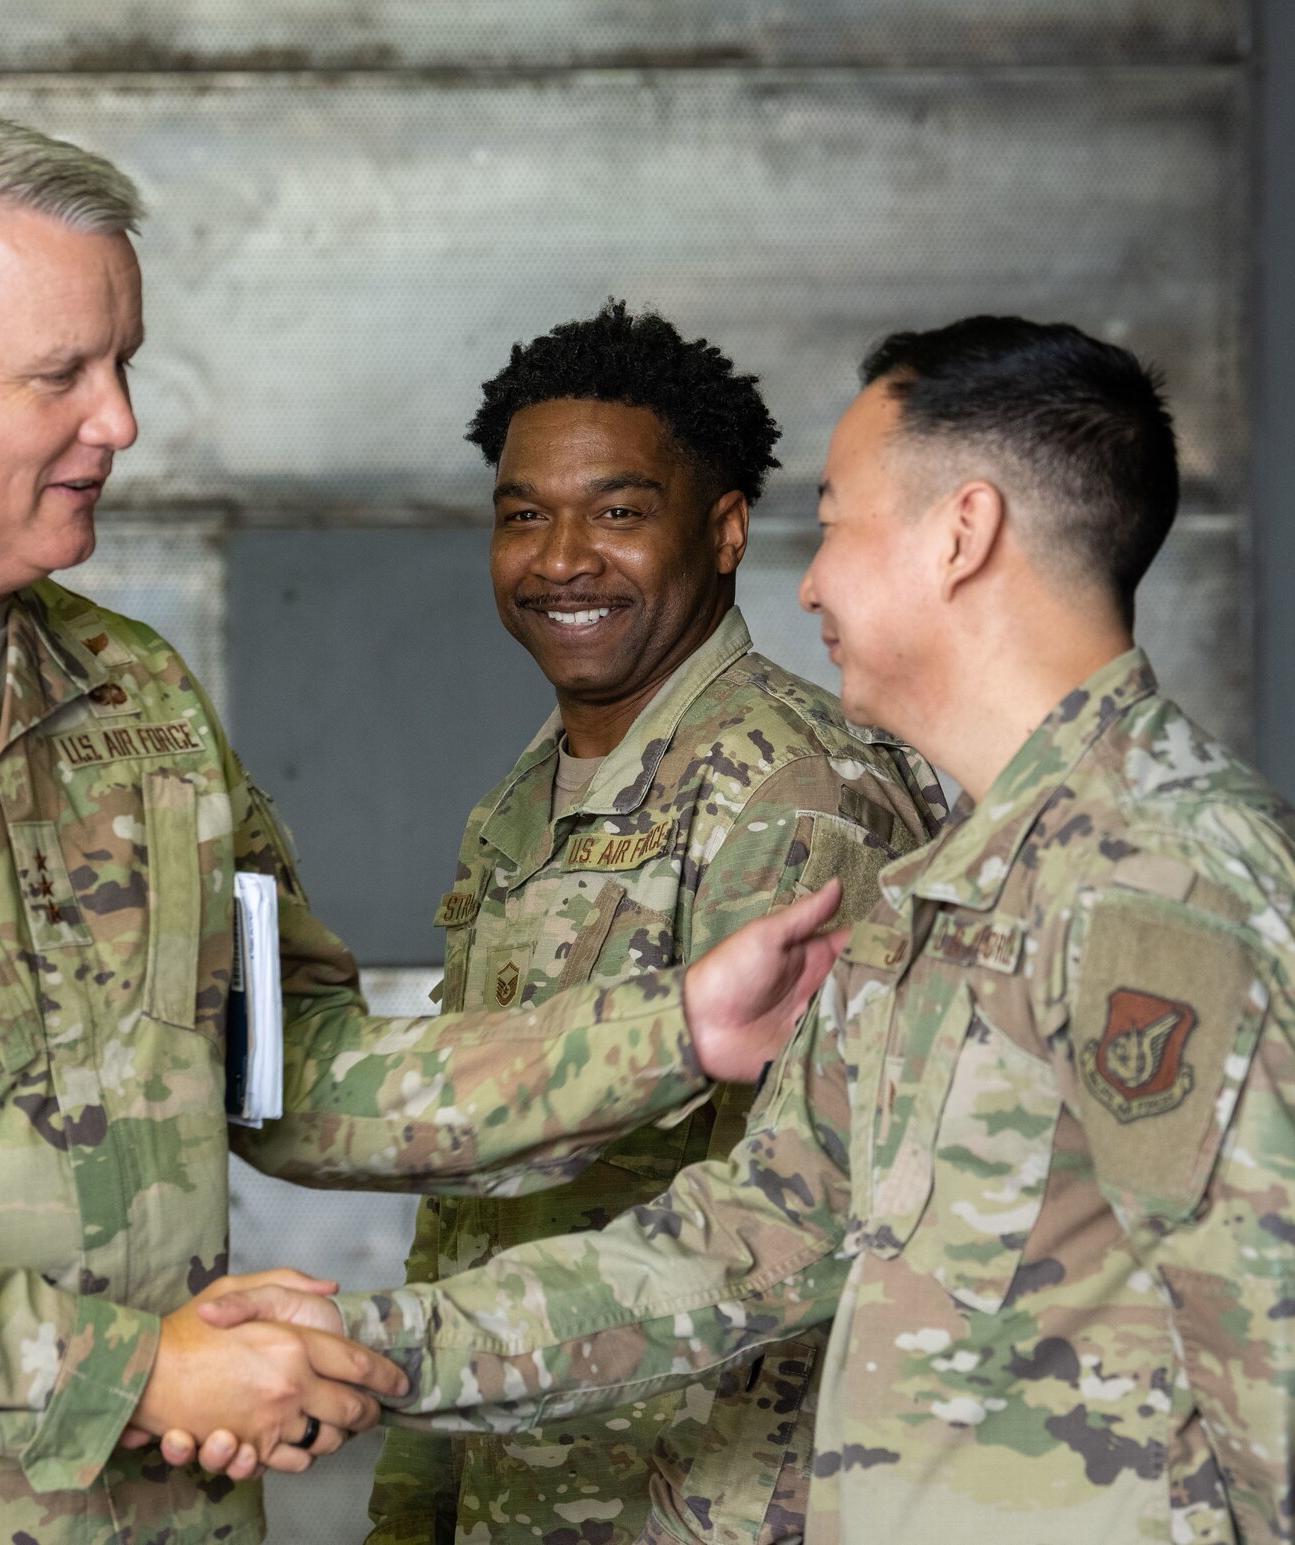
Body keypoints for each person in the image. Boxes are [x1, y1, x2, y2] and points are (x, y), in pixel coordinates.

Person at [0, 117, 850, 1545]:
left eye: (124, 361)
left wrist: (673, 1032)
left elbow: (289, 1068)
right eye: (61, 374)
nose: (121, 420)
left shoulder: (134, 696)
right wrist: (143, 1373)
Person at [198, 316, 1295, 1543]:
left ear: (962, 533)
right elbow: (752, 1237)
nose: (810, 578)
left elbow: (1292, 1370)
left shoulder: (1161, 878)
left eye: (833, 522)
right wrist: (370, 1343)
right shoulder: (958, 894)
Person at [356, 302, 943, 1545]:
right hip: (511, 1474)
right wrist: (414, 1509)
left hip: (699, 1503)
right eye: (524, 515)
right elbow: (466, 1206)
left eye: (617, 512)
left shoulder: (799, 797)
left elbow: (821, 1216)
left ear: (723, 530)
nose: (561, 558)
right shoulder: (523, 803)